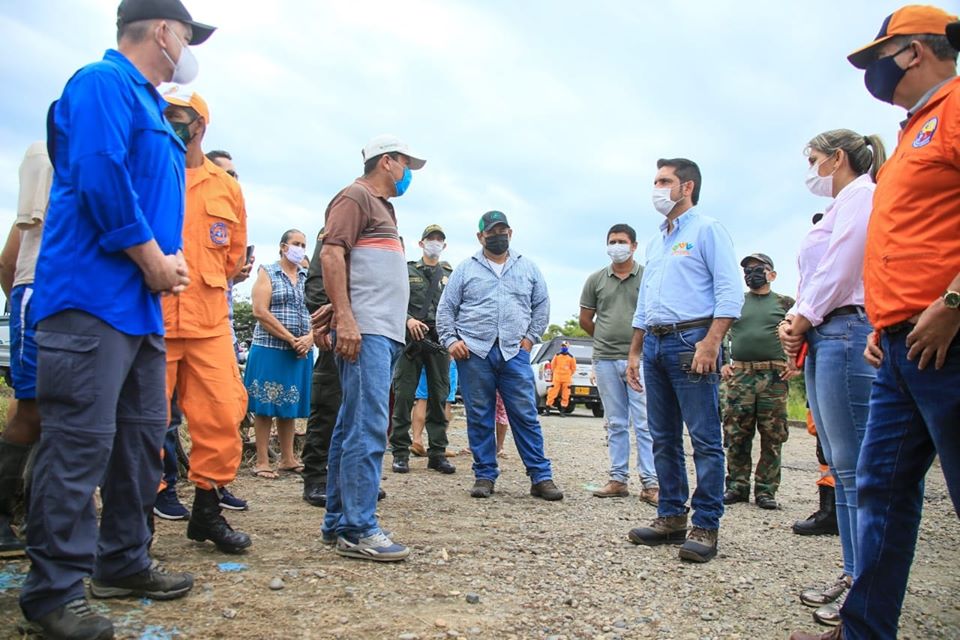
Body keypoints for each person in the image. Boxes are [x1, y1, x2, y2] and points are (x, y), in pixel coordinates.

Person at [18, 1, 214, 636]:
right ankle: (52, 594)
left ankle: (123, 560)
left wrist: (168, 261)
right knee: (78, 443)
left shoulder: (152, 107)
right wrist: (151, 256)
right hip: (90, 300)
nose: (190, 49)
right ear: (163, 31)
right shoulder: (100, 83)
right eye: (187, 36)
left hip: (138, 309)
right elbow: (101, 177)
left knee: (139, 439)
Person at [792, 7, 960, 640]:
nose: (874, 72)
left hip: (948, 338)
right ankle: (865, 629)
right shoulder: (915, 130)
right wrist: (879, 323)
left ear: (913, 52)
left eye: (877, 58)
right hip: (894, 345)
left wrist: (955, 302)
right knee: (878, 492)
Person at [778, 128, 886, 628]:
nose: (811, 170)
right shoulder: (845, 201)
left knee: (857, 465)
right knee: (840, 465)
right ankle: (852, 573)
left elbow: (842, 267)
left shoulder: (862, 196)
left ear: (837, 157)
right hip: (826, 331)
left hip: (845, 325)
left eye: (814, 159)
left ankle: (866, 585)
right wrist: (800, 317)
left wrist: (802, 315)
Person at [625, 158, 741, 564]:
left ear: (686, 187)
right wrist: (635, 351)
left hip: (692, 340)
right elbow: (645, 302)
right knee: (664, 437)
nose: (656, 188)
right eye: (655, 180)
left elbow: (730, 290)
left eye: (664, 181)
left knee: (706, 439)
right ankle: (671, 515)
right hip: (655, 344)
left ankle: (706, 523)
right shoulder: (657, 242)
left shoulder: (707, 230)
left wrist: (711, 342)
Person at [319, 134, 424, 562]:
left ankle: (338, 521)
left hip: (381, 331)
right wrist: (345, 316)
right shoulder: (355, 197)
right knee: (367, 426)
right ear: (386, 161)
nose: (407, 174)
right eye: (405, 165)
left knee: (351, 425)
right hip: (367, 332)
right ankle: (359, 527)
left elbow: (360, 268)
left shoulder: (384, 207)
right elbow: (331, 254)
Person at [158, 88, 251, 552]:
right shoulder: (148, 169)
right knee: (145, 423)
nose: (170, 121)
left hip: (209, 320)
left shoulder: (226, 187)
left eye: (179, 115)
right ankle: (139, 525)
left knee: (222, 414)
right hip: (152, 319)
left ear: (200, 124)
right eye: (165, 114)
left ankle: (207, 513)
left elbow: (234, 258)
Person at [436, 210, 563, 502]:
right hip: (475, 353)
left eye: (502, 231)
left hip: (514, 353)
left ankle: (540, 477)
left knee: (526, 415)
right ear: (480, 236)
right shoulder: (465, 269)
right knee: (479, 415)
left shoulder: (528, 268)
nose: (498, 236)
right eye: (491, 232)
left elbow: (541, 304)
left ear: (511, 233)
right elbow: (446, 309)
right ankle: (485, 475)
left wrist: (530, 339)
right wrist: (451, 340)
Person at [579, 223, 658, 504]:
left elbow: (655, 315)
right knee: (615, 422)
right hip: (605, 359)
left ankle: (651, 483)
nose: (617, 246)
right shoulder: (596, 279)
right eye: (612, 241)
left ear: (634, 245)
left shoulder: (648, 277)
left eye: (622, 241)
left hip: (641, 360)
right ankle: (618, 479)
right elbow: (586, 320)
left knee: (645, 422)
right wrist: (605, 339)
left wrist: (636, 348)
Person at [0, 142, 51, 557]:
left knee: (67, 412)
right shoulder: (45, 153)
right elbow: (10, 258)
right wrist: (22, 297)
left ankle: (42, 518)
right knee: (31, 407)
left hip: (80, 296)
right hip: (37, 291)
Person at [720, 253, 795, 511]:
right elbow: (718, 331)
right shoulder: (736, 302)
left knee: (773, 436)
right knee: (736, 433)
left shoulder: (785, 303)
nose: (752, 273)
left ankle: (766, 490)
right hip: (741, 376)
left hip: (773, 376)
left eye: (758, 269)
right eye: (748, 270)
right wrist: (722, 361)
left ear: (771, 274)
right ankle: (736, 486)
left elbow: (804, 332)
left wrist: (798, 363)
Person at [245, 230, 313, 479]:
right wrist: (289, 338)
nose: (300, 248)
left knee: (289, 403)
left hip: (301, 350)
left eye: (304, 244)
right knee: (265, 405)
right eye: (296, 243)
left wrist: (310, 338)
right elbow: (260, 311)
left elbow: (322, 310)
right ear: (283, 247)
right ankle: (262, 461)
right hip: (270, 347)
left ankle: (287, 458)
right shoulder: (268, 272)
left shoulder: (308, 276)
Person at [390, 224, 456, 475]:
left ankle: (437, 453)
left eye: (439, 240)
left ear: (444, 246)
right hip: (410, 341)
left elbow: (456, 307)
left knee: (439, 398)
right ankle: (400, 452)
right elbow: (394, 300)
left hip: (439, 341)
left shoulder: (450, 274)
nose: (435, 243)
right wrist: (408, 320)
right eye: (431, 239)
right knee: (404, 396)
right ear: (421, 243)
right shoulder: (406, 271)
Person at [410, 356, 459, 456]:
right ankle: (439, 444)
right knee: (446, 399)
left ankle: (417, 440)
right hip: (446, 356)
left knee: (422, 398)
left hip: (425, 354)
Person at [544, 341, 577, 414]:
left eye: (565, 346)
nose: (563, 347)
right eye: (562, 346)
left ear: (568, 347)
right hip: (557, 378)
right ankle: (547, 409)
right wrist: (556, 373)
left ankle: (563, 411)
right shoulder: (557, 355)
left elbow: (573, 368)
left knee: (565, 394)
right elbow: (553, 366)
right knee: (552, 393)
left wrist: (568, 374)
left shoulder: (571, 357)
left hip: (566, 379)